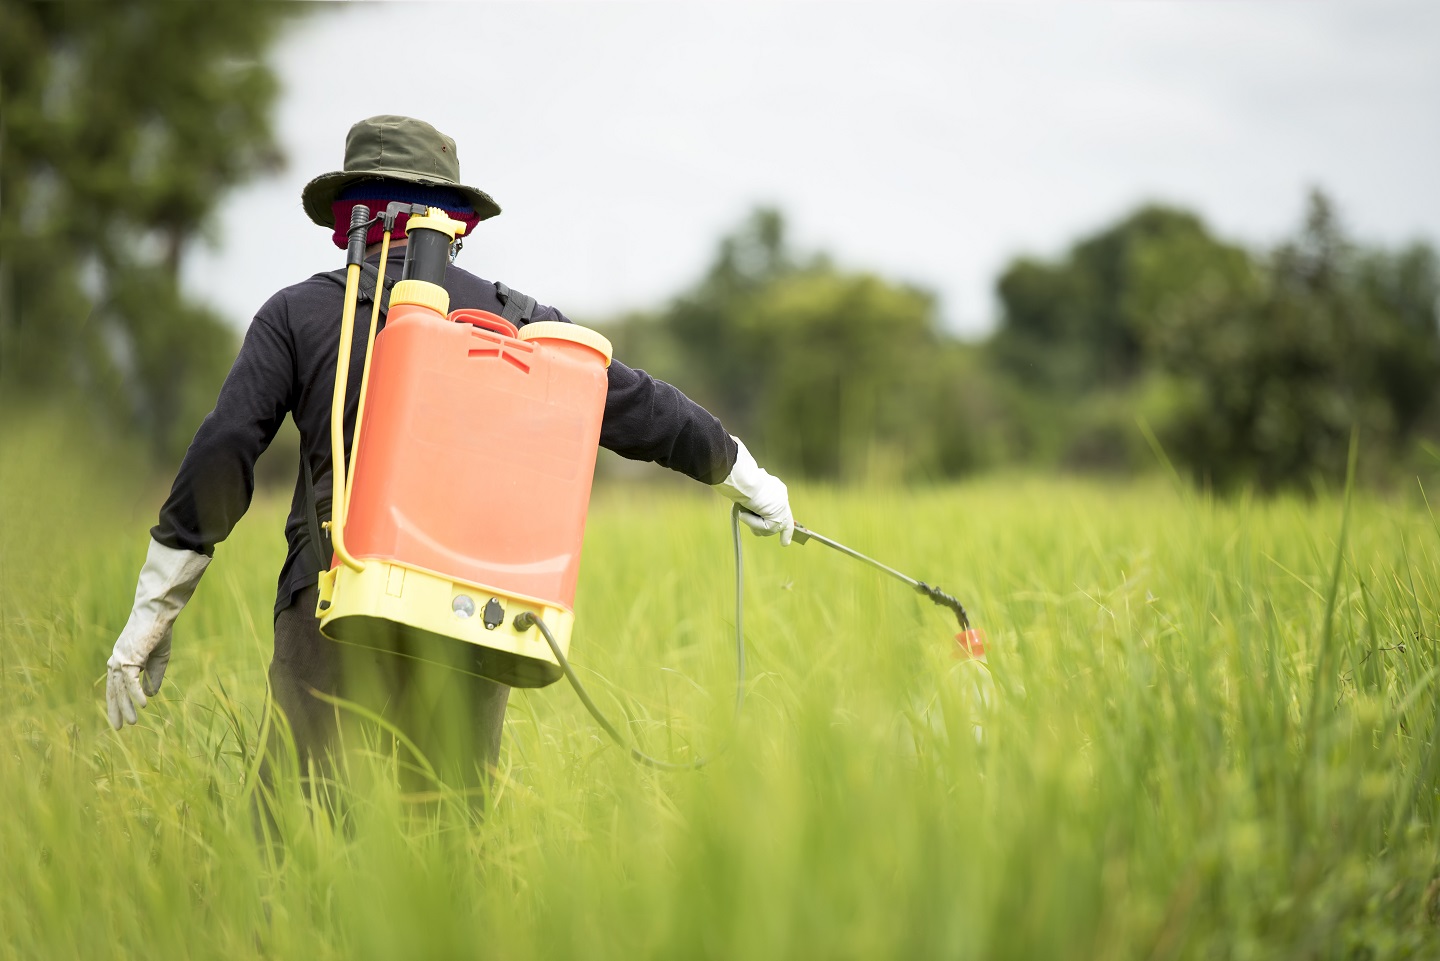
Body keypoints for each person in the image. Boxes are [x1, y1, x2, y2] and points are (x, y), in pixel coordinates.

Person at [103, 115, 794, 798]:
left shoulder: (301, 313)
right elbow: (644, 408)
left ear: (351, 217)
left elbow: (225, 447)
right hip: (474, 616)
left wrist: (156, 605)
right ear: (457, 222)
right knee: (443, 855)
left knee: (298, 837)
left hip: (334, 598)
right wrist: (748, 477)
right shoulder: (525, 324)